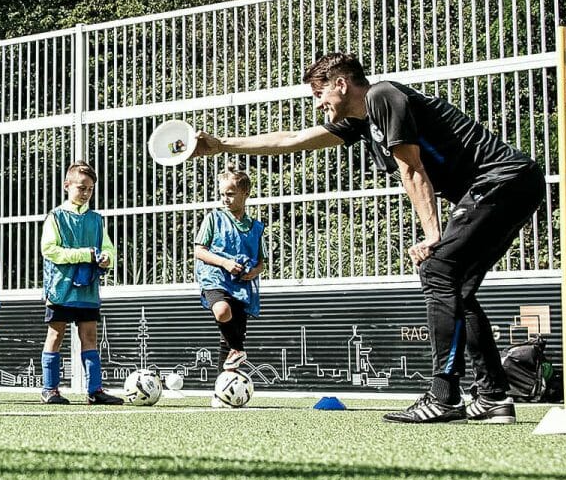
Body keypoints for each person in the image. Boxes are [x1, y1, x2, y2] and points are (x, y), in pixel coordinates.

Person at [194, 51, 544, 424]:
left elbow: (412, 169)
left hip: (502, 182)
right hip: (503, 187)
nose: (317, 105)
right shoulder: (362, 121)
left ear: (341, 84)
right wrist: (223, 145)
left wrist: (432, 236)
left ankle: (444, 396)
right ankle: (492, 396)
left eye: (319, 94)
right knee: (453, 286)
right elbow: (292, 140)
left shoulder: (383, 97)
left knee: (438, 271)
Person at [40, 161, 121, 405]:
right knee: (55, 334)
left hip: (87, 289)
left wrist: (107, 258)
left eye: (90, 189)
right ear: (67, 186)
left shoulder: (96, 219)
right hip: (61, 289)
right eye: (81, 187)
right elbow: (49, 250)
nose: (85, 192)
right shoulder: (55, 216)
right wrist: (85, 254)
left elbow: (108, 248)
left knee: (90, 336)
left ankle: (95, 390)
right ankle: (49, 389)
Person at [193, 165, 266, 372]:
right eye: (222, 194)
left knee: (229, 342)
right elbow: (199, 251)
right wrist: (225, 263)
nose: (225, 199)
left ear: (246, 193)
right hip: (214, 277)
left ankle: (223, 387)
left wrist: (254, 272)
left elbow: (261, 262)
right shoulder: (213, 219)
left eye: (231, 194)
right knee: (222, 311)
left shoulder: (256, 228)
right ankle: (238, 348)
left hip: (241, 286)